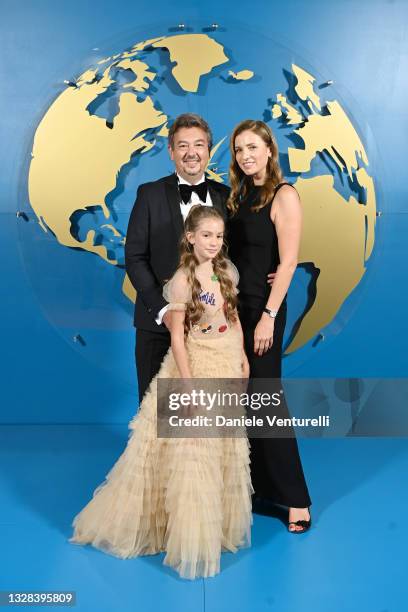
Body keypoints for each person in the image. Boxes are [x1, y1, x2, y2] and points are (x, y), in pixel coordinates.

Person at [69, 205, 253, 579]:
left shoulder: (227, 271)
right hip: (195, 363)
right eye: (206, 236)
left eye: (219, 236)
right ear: (190, 238)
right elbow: (177, 339)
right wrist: (186, 384)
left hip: (226, 357)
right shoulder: (183, 281)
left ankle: (212, 527)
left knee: (219, 442)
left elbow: (233, 318)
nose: (214, 243)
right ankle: (188, 534)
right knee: (191, 448)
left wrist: (244, 356)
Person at [227, 119, 312, 533]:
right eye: (240, 149)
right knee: (241, 403)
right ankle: (259, 489)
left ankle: (296, 501)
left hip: (264, 311)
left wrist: (268, 317)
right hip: (234, 310)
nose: (246, 155)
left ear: (269, 151)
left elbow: (290, 261)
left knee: (265, 399)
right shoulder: (239, 195)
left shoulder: (285, 194)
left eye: (253, 148)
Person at [124, 113, 229, 403]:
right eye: (183, 146)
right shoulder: (150, 194)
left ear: (208, 150)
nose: (191, 153)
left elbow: (237, 255)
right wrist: (163, 312)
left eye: (199, 145)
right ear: (171, 152)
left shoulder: (227, 197)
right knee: (156, 413)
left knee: (204, 415)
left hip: (212, 329)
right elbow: (134, 257)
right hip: (157, 325)